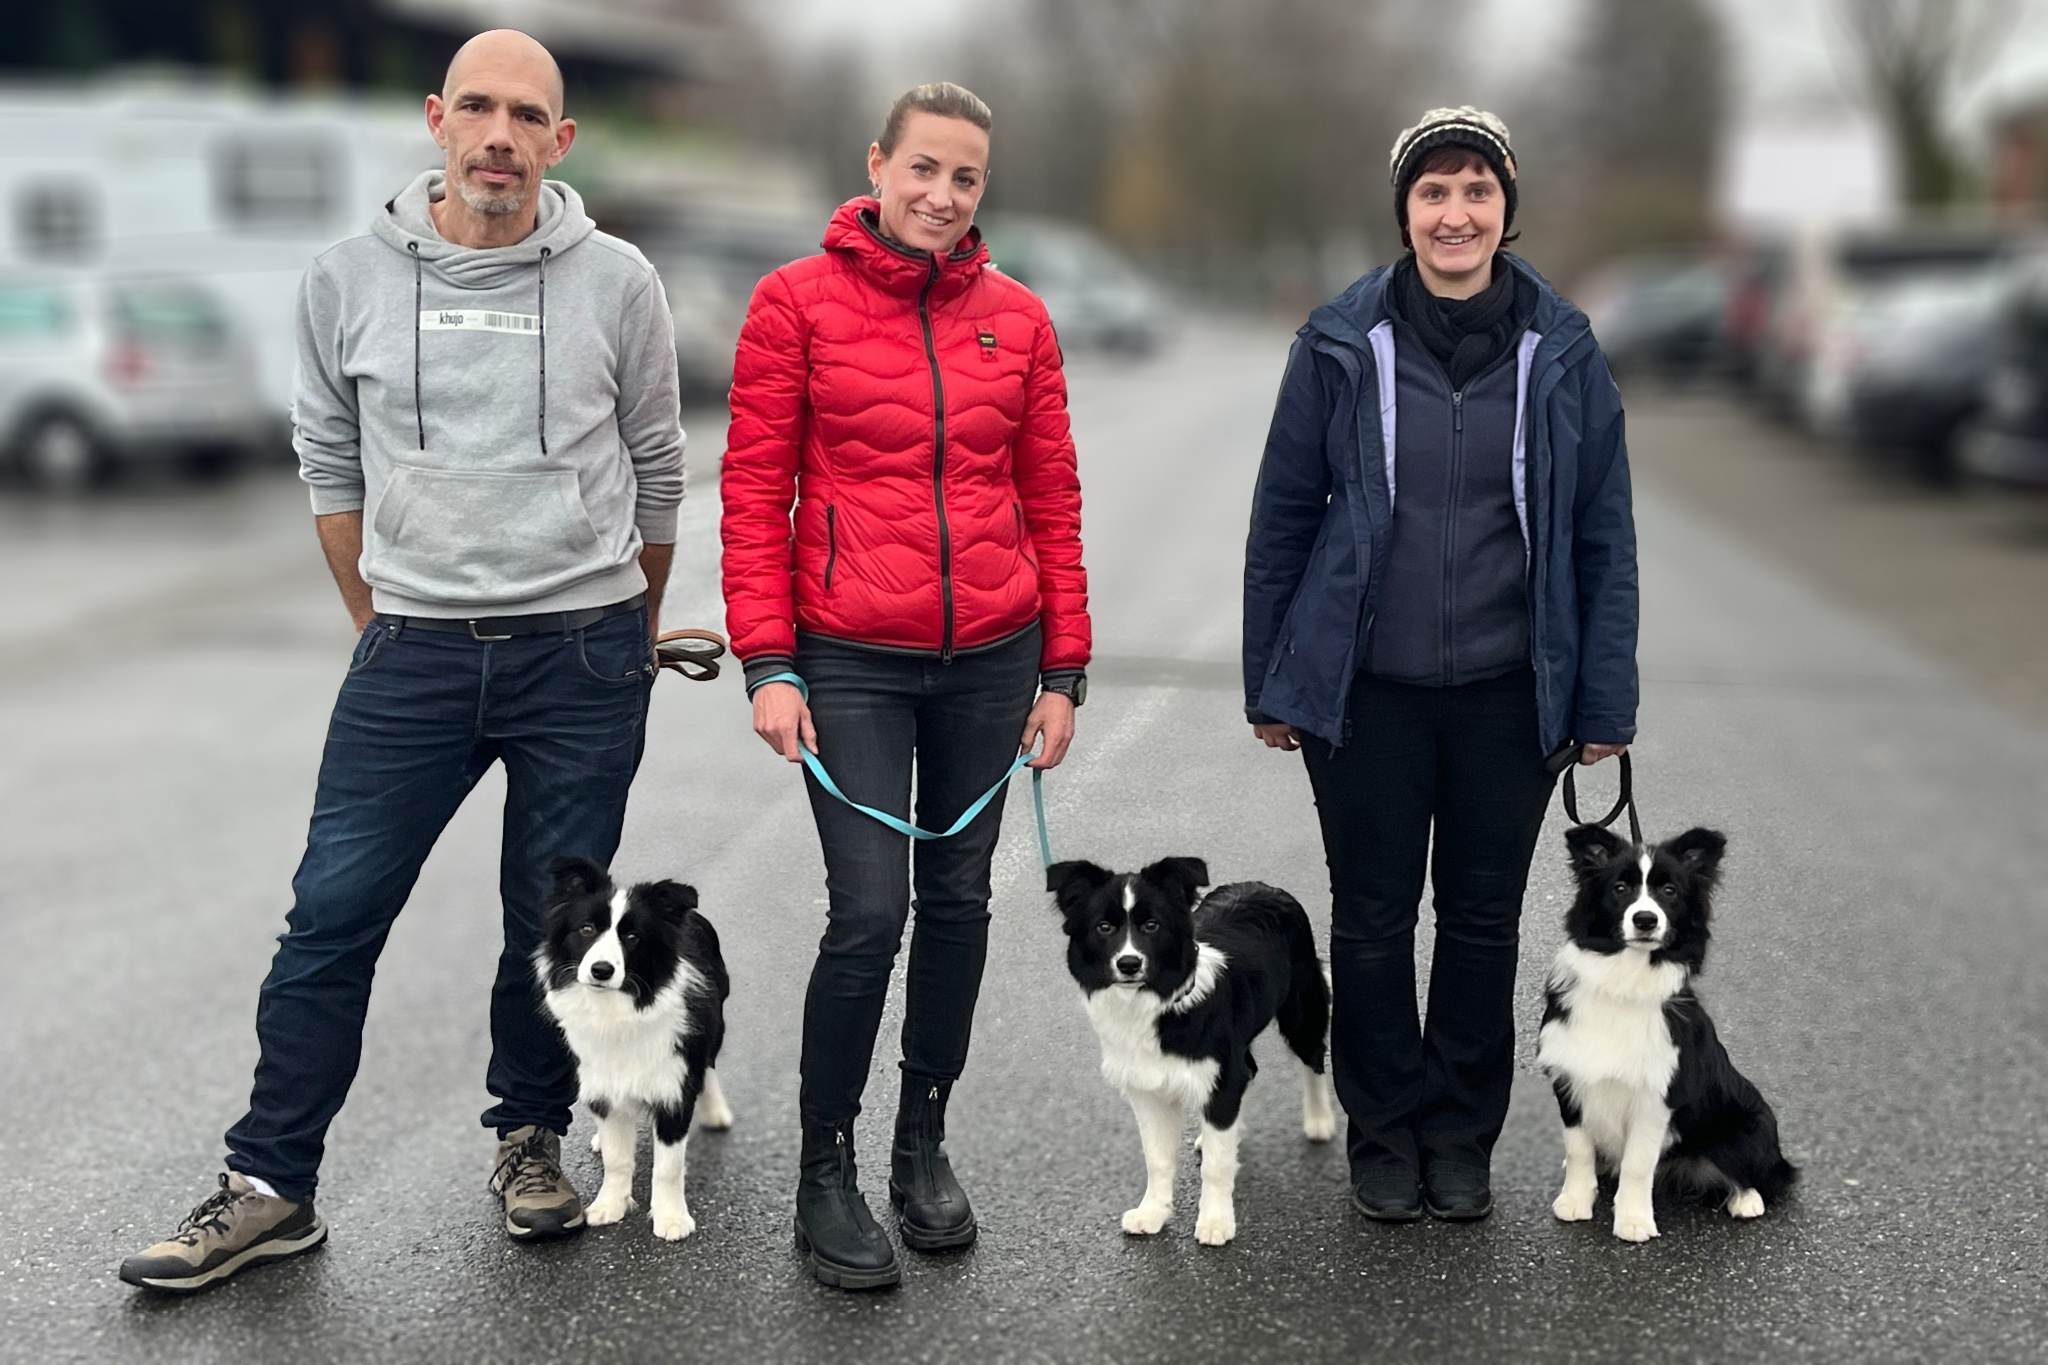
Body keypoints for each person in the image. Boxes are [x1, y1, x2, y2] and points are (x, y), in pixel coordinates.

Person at [120, 30, 686, 1292]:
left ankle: (530, 1141)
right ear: (435, 119)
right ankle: (272, 1186)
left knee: (543, 926)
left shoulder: (621, 281)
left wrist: (630, 633)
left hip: (580, 656)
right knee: (331, 915)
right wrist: (374, 617)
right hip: (413, 656)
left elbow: (657, 468)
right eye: (475, 108)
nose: (498, 135)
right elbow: (329, 460)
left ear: (561, 140)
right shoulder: (343, 279)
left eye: (525, 115)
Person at [721, 82, 1089, 1289]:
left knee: (962, 903)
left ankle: (919, 1141)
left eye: (966, 178)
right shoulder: (792, 305)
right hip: (849, 660)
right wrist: (767, 663)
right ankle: (821, 1166)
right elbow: (750, 497)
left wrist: (1063, 669)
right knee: (869, 912)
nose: (941, 196)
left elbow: (1052, 500)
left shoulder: (1019, 321)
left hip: (991, 656)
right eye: (922, 169)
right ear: (877, 165)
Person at [1241, 106, 1638, 1225]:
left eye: (1474, 189)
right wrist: (1273, 676)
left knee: (1477, 922)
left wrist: (1603, 696)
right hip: (1366, 693)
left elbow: (1601, 532)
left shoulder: (1559, 348)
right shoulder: (1338, 339)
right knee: (1368, 921)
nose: (1453, 212)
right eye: (1431, 191)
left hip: (1511, 698)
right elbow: (1282, 517)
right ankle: (1382, 1132)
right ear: (1404, 210)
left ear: (1505, 209)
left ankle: (1457, 1134)